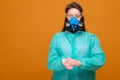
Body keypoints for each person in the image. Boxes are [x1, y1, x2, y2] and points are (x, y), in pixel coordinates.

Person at [47, 2, 106, 80]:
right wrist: (63, 62)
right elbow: (50, 63)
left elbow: (100, 60)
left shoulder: (91, 38)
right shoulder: (57, 37)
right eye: (70, 16)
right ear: (66, 17)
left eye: (77, 16)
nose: (73, 19)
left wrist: (80, 62)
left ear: (81, 17)